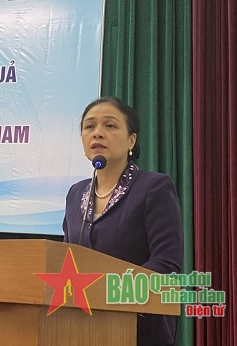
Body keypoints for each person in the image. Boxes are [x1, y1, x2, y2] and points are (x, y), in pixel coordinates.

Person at [63, 96, 183, 346]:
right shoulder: (76, 194)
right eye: (89, 126)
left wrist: (106, 291)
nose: (97, 133)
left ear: (131, 140)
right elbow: (65, 261)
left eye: (110, 125)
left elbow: (166, 265)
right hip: (78, 327)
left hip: (139, 329)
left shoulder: (153, 187)